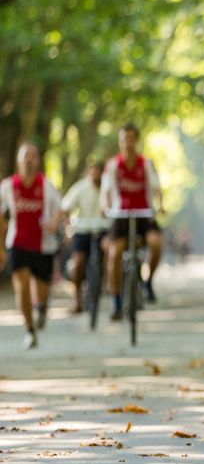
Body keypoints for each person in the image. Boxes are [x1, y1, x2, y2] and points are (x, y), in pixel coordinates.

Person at [0, 144, 63, 349]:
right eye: (25, 156)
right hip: (17, 244)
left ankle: (42, 308)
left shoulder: (46, 186)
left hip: (43, 246)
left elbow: (61, 210)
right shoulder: (8, 186)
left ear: (38, 161)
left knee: (41, 292)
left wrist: (54, 221)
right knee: (22, 287)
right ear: (18, 161)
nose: (29, 160)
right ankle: (29, 330)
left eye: (33, 156)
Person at [101, 123, 164, 320]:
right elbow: (106, 192)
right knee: (114, 254)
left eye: (130, 138)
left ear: (136, 140)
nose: (127, 143)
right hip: (121, 215)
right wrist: (105, 208)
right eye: (123, 139)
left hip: (144, 214)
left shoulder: (145, 164)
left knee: (156, 244)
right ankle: (117, 301)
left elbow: (156, 188)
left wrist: (160, 205)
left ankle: (148, 281)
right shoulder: (113, 165)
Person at [60, 160, 109, 314]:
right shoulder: (80, 188)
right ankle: (77, 299)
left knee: (110, 252)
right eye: (93, 171)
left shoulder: (109, 188)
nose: (96, 175)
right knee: (78, 262)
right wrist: (68, 228)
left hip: (103, 230)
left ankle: (106, 284)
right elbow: (66, 209)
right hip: (82, 230)